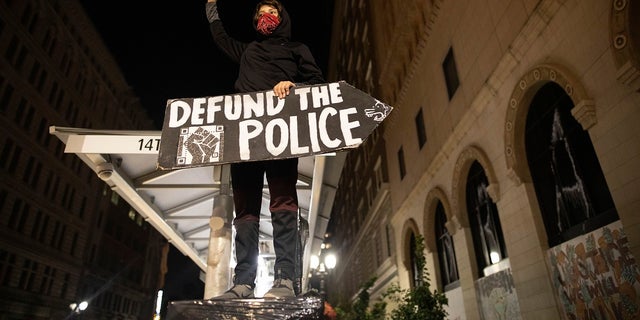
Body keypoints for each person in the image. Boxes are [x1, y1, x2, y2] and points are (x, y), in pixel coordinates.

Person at [205, 0, 325, 299]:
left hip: (280, 133)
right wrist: (211, 8)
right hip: (243, 136)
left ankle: (285, 280)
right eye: (260, 14)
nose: (265, 18)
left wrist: (293, 84)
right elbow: (220, 37)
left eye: (271, 13)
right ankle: (243, 283)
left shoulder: (298, 49)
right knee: (245, 213)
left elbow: (318, 83)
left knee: (283, 203)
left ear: (282, 18)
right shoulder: (247, 51)